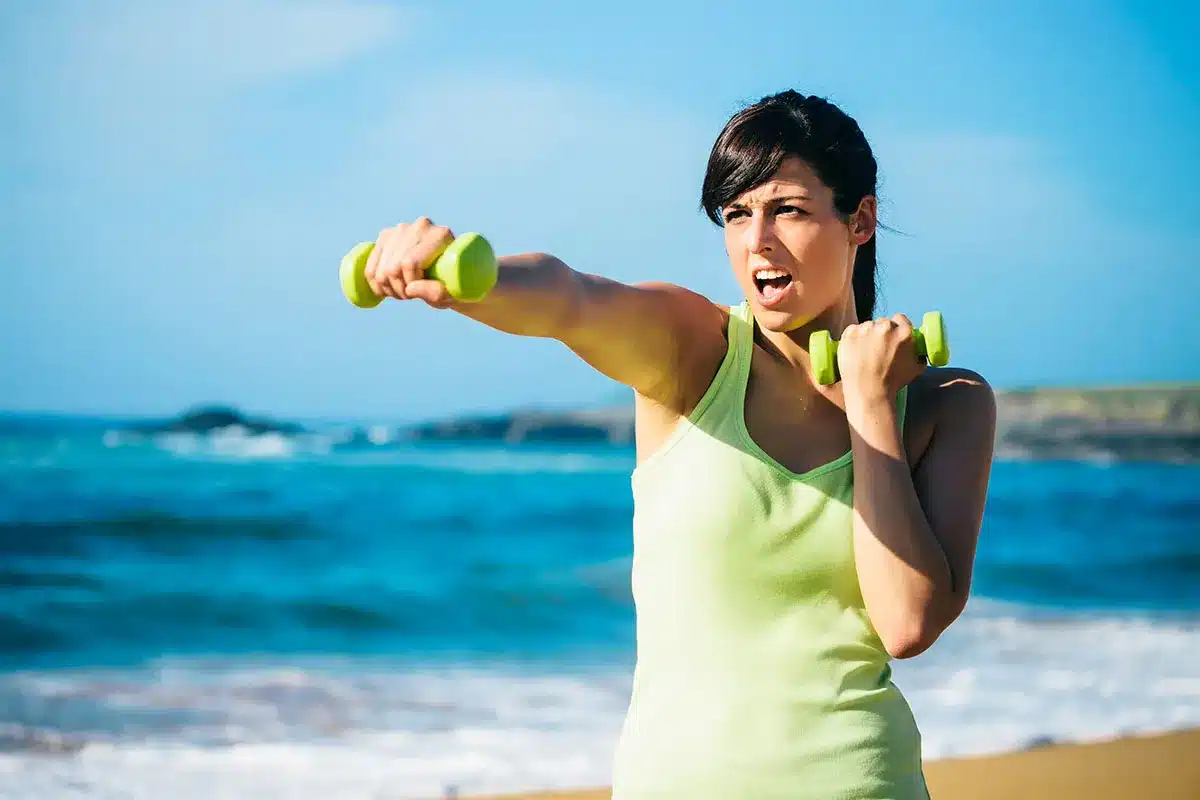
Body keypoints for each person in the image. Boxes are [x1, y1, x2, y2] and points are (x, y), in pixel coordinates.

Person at [362, 89, 996, 798]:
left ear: (861, 220)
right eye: (736, 214)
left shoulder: (947, 405)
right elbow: (571, 298)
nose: (758, 240)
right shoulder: (692, 351)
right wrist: (465, 279)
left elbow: (907, 623)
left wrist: (872, 405)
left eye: (787, 208)